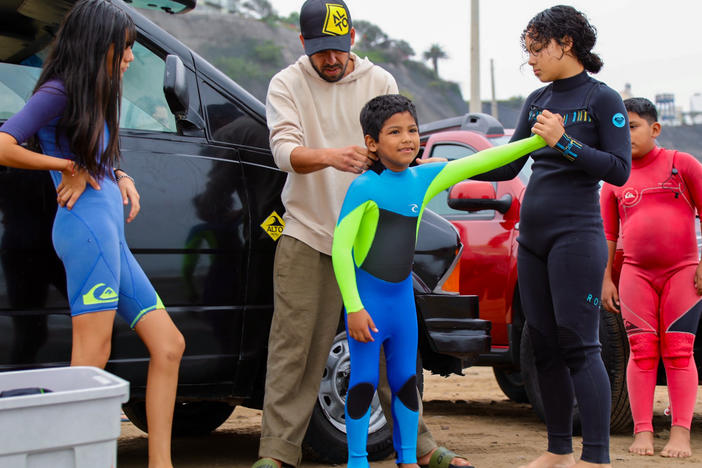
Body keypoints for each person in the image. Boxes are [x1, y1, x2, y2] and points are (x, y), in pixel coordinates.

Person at [254, 2, 472, 468]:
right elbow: (283, 151)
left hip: (373, 248)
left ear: (353, 39)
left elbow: (399, 155)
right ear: (302, 45)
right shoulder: (286, 83)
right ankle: (276, 454)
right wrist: (332, 156)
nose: (330, 60)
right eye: (320, 52)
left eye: (338, 49)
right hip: (309, 233)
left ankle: (422, 446)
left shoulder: (381, 82)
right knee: (294, 349)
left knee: (394, 351)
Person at [0, 1, 185, 467]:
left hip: (108, 236)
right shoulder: (59, 90)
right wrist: (66, 165)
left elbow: (95, 153)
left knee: (169, 345)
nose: (129, 57)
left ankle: (160, 463)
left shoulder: (94, 93)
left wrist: (119, 174)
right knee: (91, 354)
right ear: (97, 44)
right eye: (124, 48)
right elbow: (4, 144)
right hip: (85, 232)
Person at [332, 94, 545, 468]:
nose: (407, 138)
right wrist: (353, 307)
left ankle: (409, 458)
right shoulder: (363, 188)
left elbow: (481, 161)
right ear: (372, 143)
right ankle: (357, 460)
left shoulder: (423, 178)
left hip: (401, 303)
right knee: (364, 380)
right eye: (394, 132)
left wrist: (536, 140)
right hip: (368, 302)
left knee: (406, 380)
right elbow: (340, 250)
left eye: (412, 130)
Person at [472, 5, 631, 468]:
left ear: (567, 43)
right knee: (542, 344)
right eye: (528, 52)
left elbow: (619, 170)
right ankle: (558, 450)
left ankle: (596, 456)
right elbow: (504, 165)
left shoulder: (603, 100)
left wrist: (565, 142)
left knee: (580, 345)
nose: (532, 60)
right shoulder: (537, 100)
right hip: (532, 237)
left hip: (575, 235)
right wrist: (431, 171)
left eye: (538, 49)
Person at [600, 97, 702, 459]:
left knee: (678, 350)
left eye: (631, 126)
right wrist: (606, 280)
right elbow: (608, 236)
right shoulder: (614, 178)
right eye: (618, 129)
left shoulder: (682, 164)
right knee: (642, 351)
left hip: (683, 272)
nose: (624, 135)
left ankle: (680, 433)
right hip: (636, 274)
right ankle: (643, 429)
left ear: (654, 129)